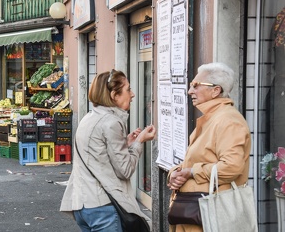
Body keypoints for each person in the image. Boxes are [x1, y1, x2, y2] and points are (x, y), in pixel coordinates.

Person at [60, 69, 156, 231]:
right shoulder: (112, 122)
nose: (132, 95)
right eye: (128, 89)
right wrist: (139, 142)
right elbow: (125, 170)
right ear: (114, 95)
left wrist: (126, 142)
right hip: (102, 206)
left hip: (82, 204)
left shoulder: (89, 117)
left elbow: (98, 154)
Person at [167, 62, 251, 231]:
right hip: (196, 213)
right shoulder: (213, 118)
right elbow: (198, 160)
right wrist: (175, 173)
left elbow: (232, 167)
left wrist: (191, 172)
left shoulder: (228, 120)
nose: (190, 91)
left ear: (216, 90)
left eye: (196, 85)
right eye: (191, 85)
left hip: (211, 216)